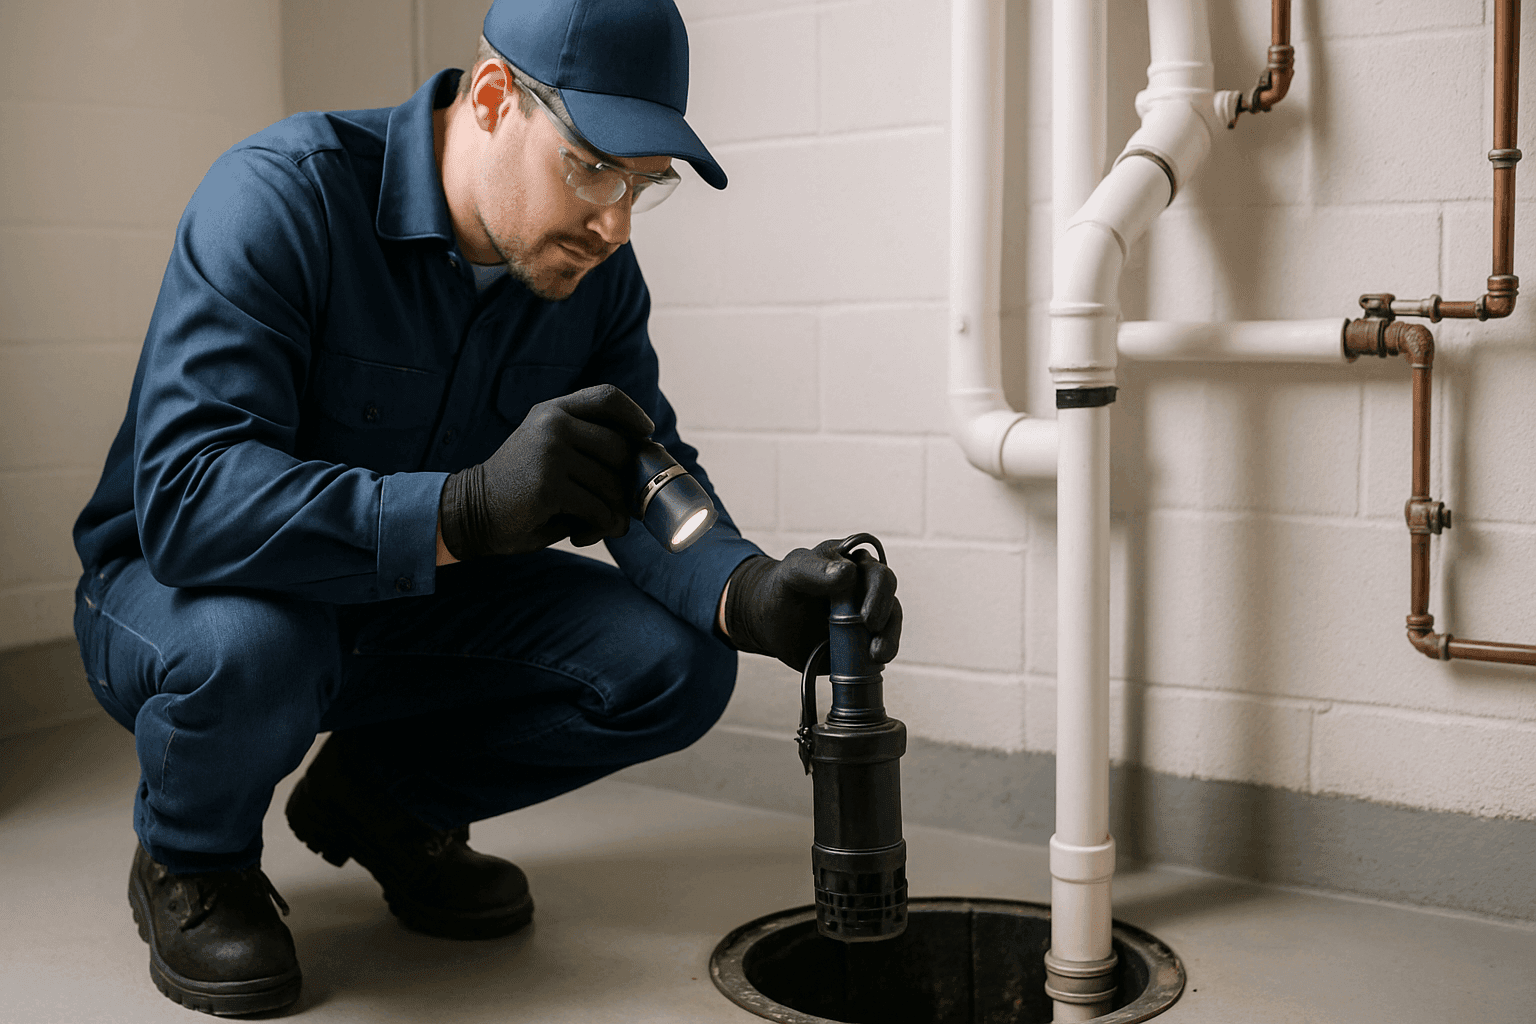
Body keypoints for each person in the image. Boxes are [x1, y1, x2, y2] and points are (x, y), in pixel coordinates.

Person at [70, 0, 902, 1015]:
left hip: (414, 607)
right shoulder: (281, 197)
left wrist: (751, 588)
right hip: (186, 595)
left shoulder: (591, 273)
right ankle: (190, 861)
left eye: (647, 185)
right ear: (496, 97)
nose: (617, 221)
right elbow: (191, 500)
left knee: (676, 662)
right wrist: (461, 511)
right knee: (256, 646)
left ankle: (384, 802)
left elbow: (644, 477)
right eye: (594, 166)